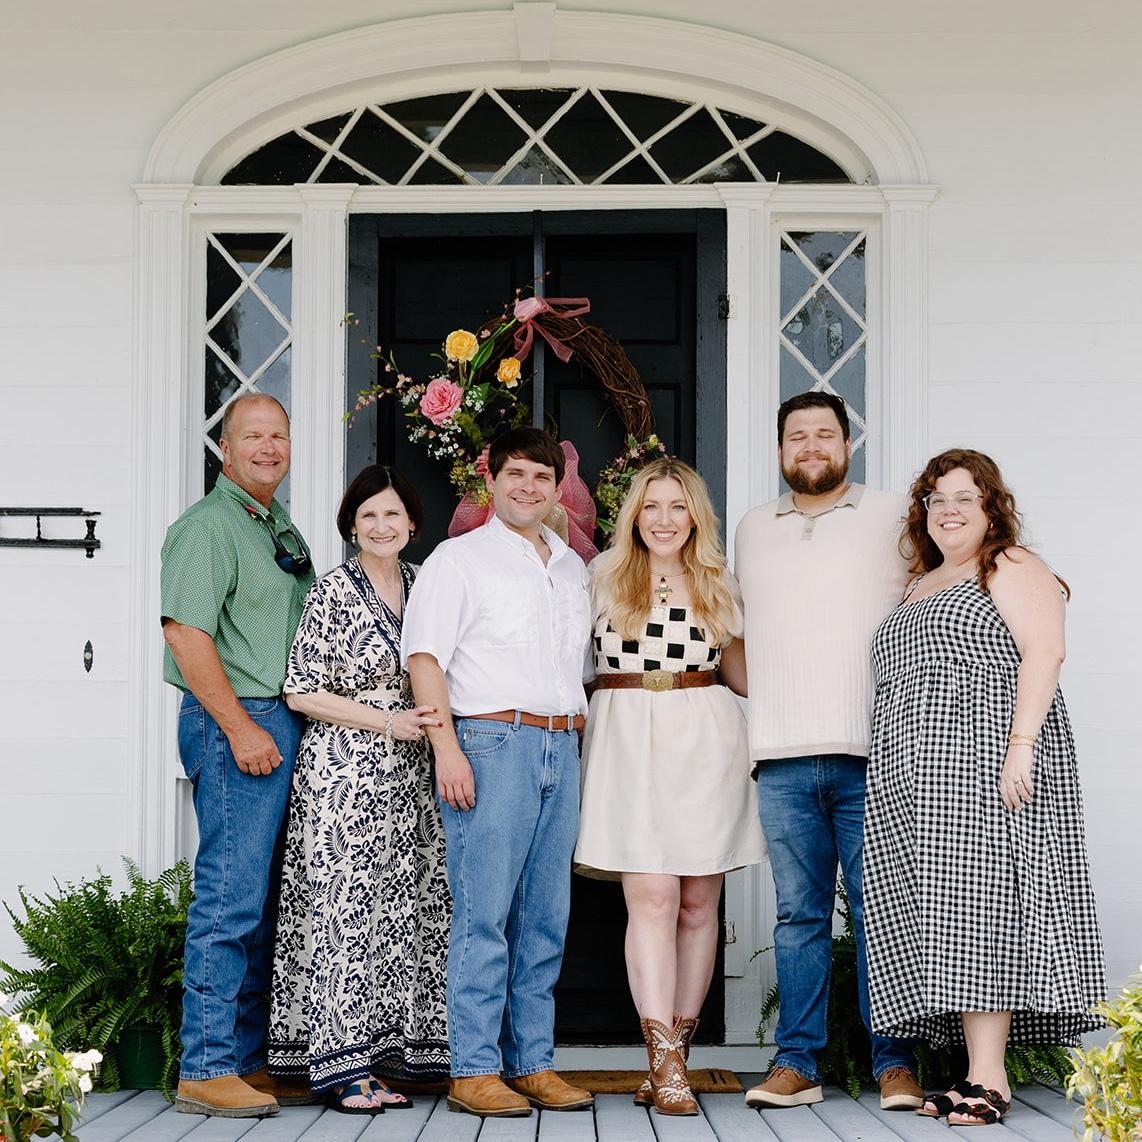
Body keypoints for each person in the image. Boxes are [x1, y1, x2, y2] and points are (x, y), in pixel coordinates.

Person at [863, 448, 1105, 1126]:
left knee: (982, 908)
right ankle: (969, 1070)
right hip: (913, 777)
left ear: (991, 508)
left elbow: (1045, 652)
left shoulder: (1009, 564)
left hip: (984, 760)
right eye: (936, 498)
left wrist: (1020, 746)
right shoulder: (919, 584)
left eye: (965, 497)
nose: (949, 509)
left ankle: (989, 1078)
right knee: (941, 916)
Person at [734, 390, 922, 1110]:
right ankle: (798, 1064)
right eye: (797, 436)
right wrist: (770, 697)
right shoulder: (753, 528)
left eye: (824, 434)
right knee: (799, 918)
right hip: (781, 756)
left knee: (884, 914)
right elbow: (737, 634)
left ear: (848, 444)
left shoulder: (895, 519)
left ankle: (894, 1063)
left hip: (875, 754)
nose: (811, 446)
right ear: (780, 449)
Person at [402, 426, 596, 1119]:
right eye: (515, 474)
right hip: (490, 741)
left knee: (545, 917)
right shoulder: (458, 560)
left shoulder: (571, 568)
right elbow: (424, 658)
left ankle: (533, 1062)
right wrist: (446, 749)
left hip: (560, 745)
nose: (528, 487)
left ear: (557, 489)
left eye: (542, 477)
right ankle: (475, 1068)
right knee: (484, 915)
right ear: (491, 481)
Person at [575, 457, 765, 1116]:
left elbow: (742, 677)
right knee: (652, 897)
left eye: (677, 506)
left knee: (697, 904)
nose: (664, 519)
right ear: (634, 515)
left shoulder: (719, 580)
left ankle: (674, 1057)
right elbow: (567, 666)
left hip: (706, 736)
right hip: (626, 736)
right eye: (651, 506)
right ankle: (663, 1061)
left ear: (695, 517)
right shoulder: (600, 576)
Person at [266, 465, 450, 1114]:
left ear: (412, 524)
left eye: (392, 514)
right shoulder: (331, 592)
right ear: (351, 526)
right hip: (345, 771)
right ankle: (344, 1069)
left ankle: (391, 1058)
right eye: (368, 515)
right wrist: (387, 721)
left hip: (414, 775)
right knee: (346, 911)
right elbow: (300, 690)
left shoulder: (426, 586)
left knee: (406, 909)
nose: (381, 525)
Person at [161, 393, 317, 1117]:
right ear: (225, 448)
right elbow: (185, 633)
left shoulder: (274, 524)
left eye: (278, 435)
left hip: (282, 720)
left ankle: (247, 1060)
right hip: (240, 720)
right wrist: (239, 729)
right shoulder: (207, 527)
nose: (268, 447)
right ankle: (206, 1065)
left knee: (263, 901)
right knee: (228, 897)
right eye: (253, 436)